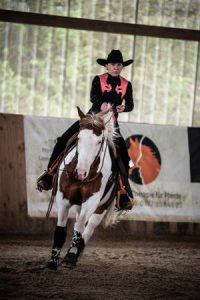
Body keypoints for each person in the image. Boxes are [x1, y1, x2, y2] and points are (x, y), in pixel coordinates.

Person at [37, 49, 134, 210]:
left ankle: (123, 191)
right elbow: (93, 97)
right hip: (92, 117)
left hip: (111, 123)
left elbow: (130, 104)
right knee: (64, 139)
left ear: (122, 67)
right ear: (107, 66)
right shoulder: (98, 79)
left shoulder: (126, 84)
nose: (116, 67)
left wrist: (124, 107)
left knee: (123, 153)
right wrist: (101, 104)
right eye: (112, 64)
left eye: (119, 65)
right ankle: (50, 173)